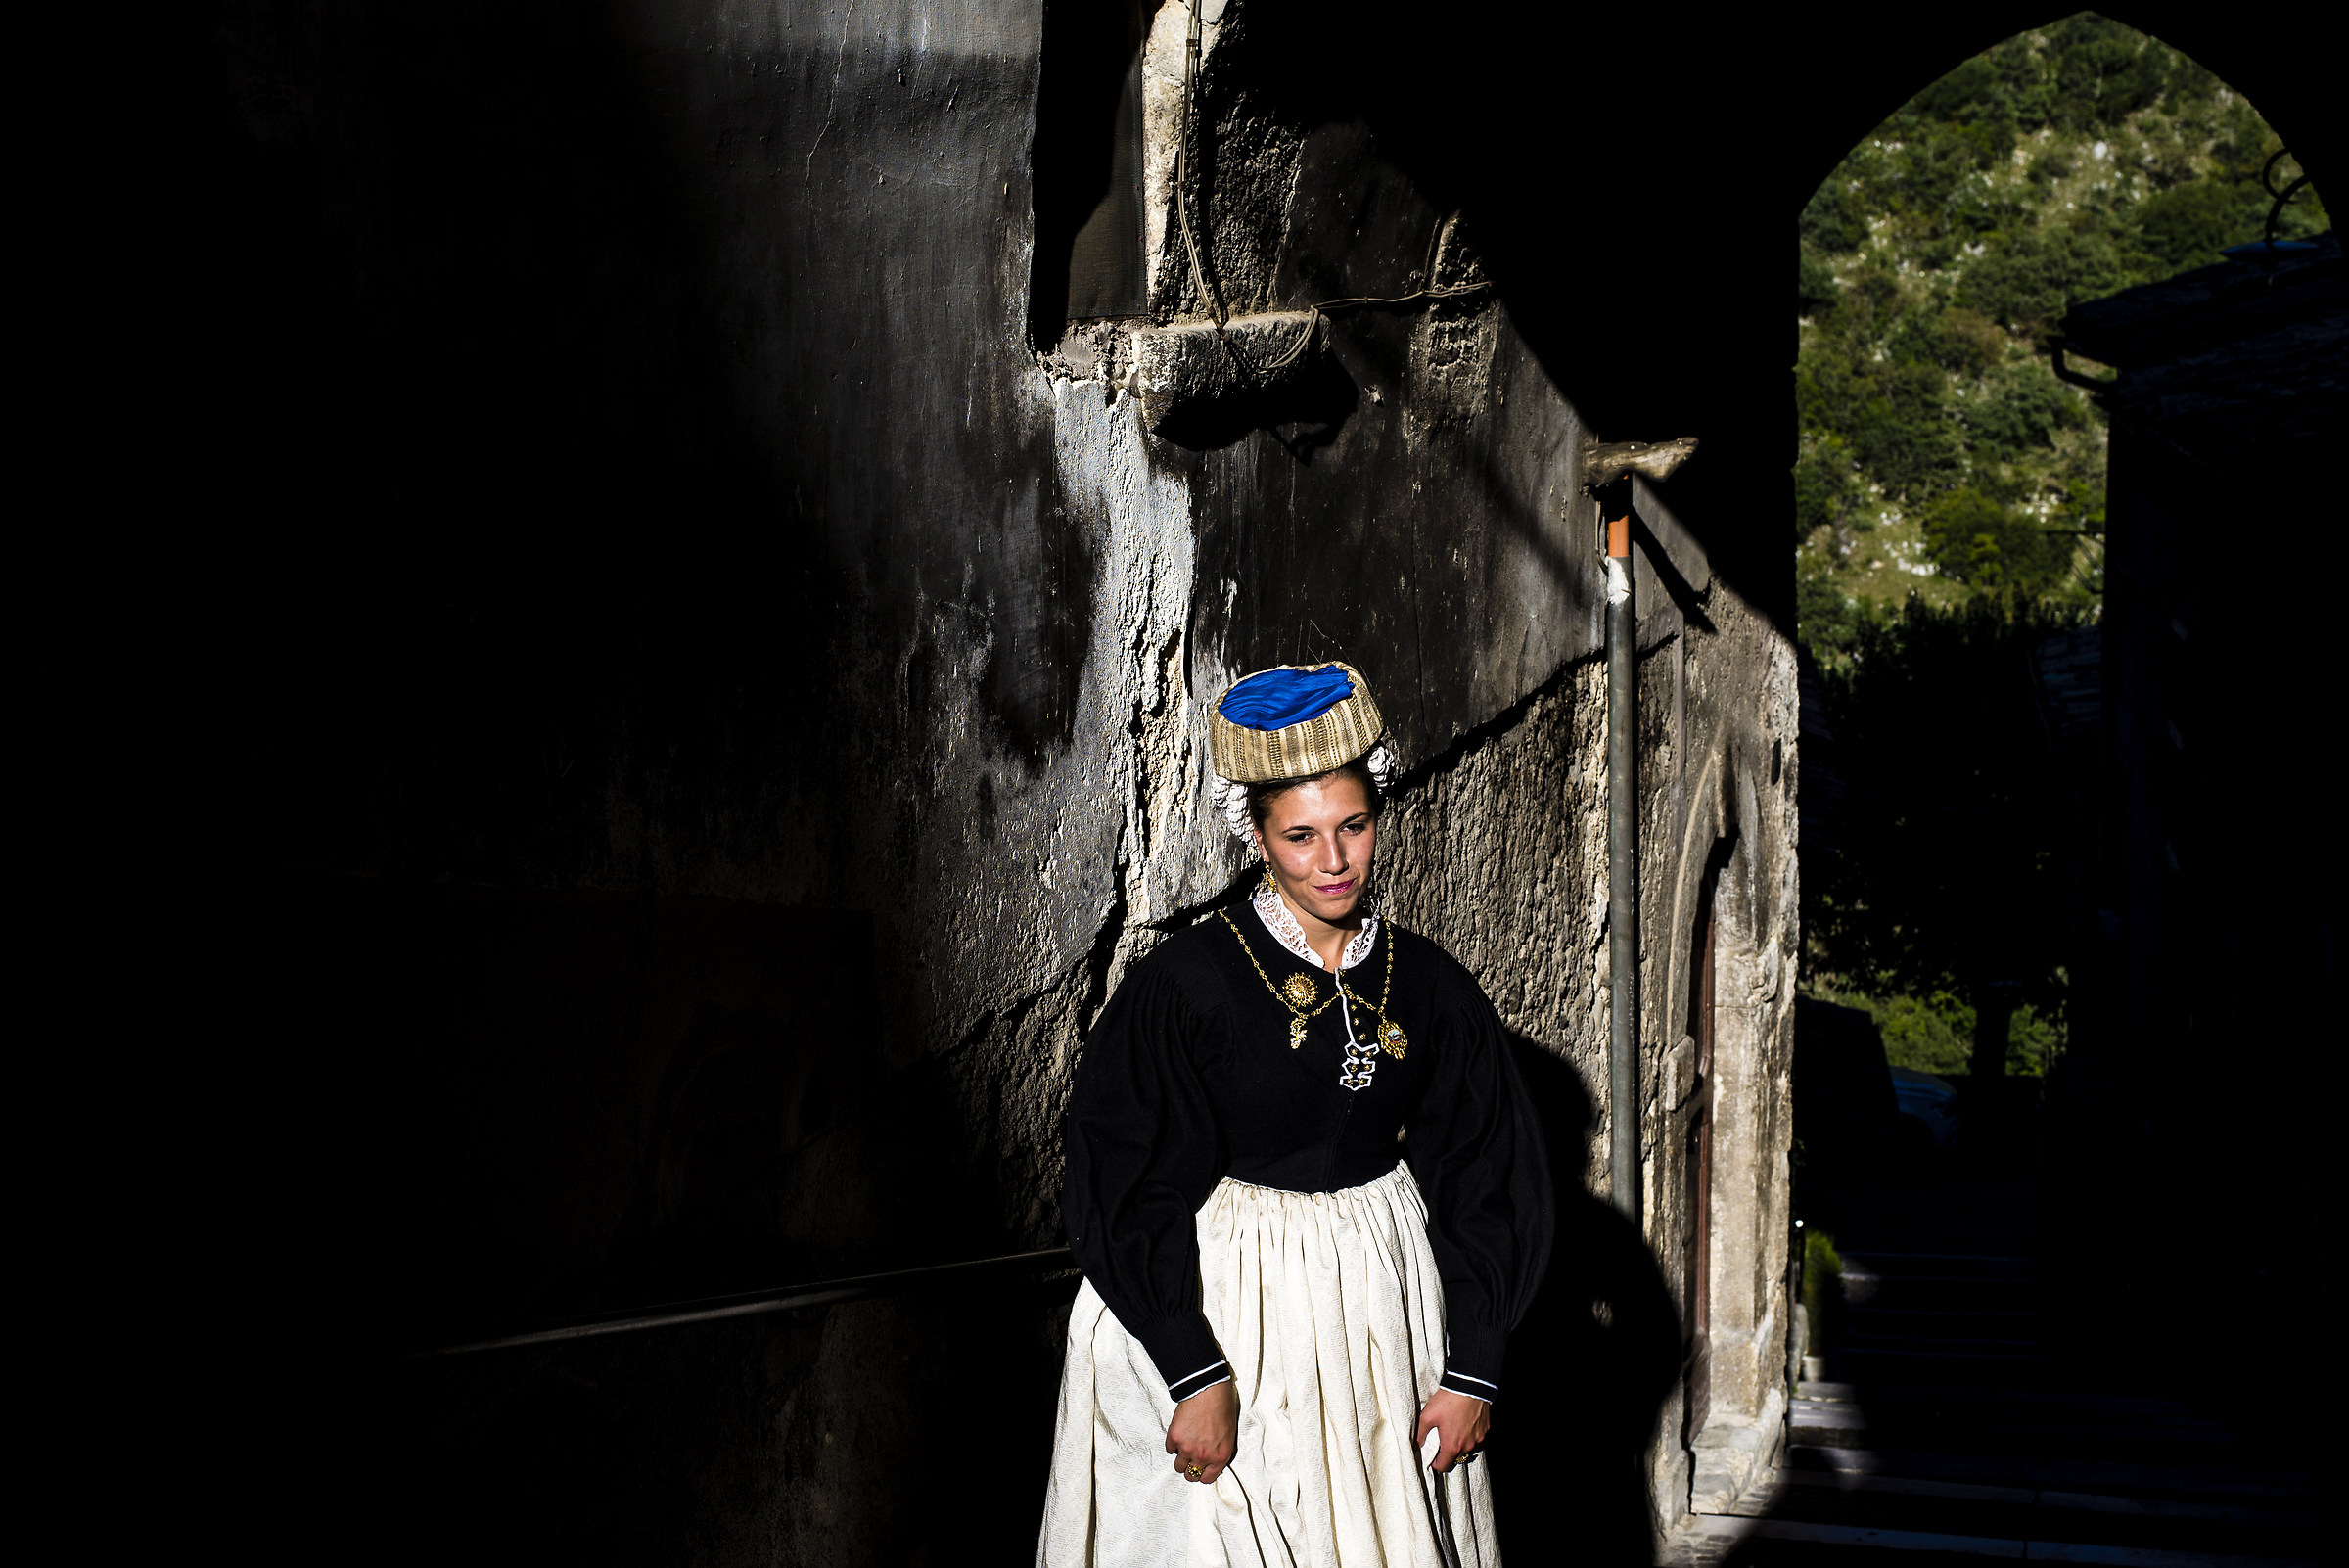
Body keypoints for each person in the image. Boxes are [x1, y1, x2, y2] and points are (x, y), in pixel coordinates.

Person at [1036, 662, 1553, 1568]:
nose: (1334, 861)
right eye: (1301, 835)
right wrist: (1190, 1369)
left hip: (1381, 1302)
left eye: (1352, 826)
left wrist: (1475, 1366)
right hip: (1229, 1299)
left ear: (1378, 814)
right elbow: (1124, 1174)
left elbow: (1485, 1169)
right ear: (1258, 839)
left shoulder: (1430, 986)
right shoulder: (1188, 984)